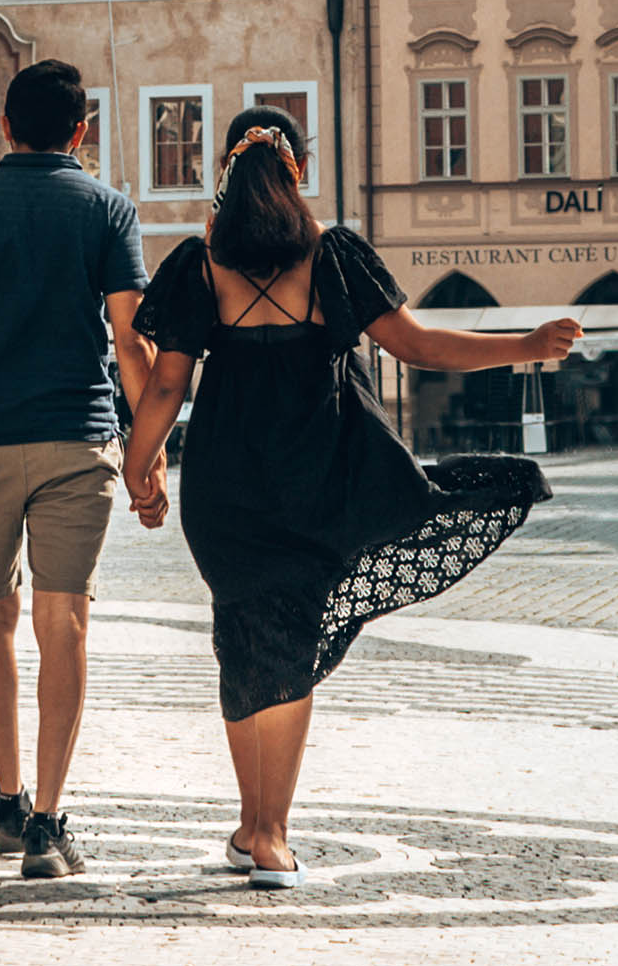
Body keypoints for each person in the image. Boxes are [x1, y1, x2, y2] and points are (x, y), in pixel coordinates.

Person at [121, 103, 578, 887]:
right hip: (317, 482)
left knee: (239, 638)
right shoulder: (333, 259)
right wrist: (528, 346)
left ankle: (248, 824)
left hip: (225, 492)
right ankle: (271, 836)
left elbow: (167, 382)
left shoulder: (198, 267)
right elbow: (422, 346)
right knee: (291, 643)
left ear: (224, 178)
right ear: (297, 174)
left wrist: (140, 467)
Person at [0, 55, 147, 882]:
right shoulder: (110, 211)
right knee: (64, 621)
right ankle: (48, 823)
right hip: (76, 439)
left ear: (4, 127)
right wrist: (145, 455)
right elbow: (131, 342)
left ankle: (6, 798)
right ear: (81, 131)